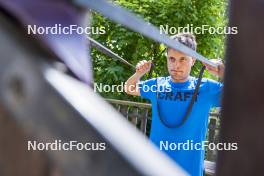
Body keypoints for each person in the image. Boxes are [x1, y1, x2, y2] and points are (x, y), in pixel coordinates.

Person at [124, 33, 225, 176]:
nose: (176, 65)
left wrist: (223, 73)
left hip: (189, 169)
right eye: (172, 59)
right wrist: (138, 74)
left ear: (193, 60)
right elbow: (129, 88)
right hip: (155, 166)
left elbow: (243, 95)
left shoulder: (207, 88)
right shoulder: (157, 84)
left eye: (183, 59)